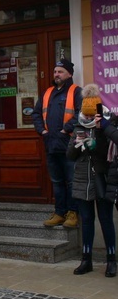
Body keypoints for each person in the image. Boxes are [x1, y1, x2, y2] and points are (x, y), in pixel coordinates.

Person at [67, 84, 117, 277]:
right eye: (85, 115)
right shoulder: (78, 125)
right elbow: (70, 156)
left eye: (91, 115)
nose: (88, 119)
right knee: (86, 220)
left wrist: (95, 143)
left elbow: (108, 154)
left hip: (101, 179)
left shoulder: (106, 124)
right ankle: (85, 260)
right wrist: (77, 143)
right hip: (81, 179)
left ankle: (111, 260)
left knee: (106, 220)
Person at [31, 58, 83, 228]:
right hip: (51, 144)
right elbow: (36, 114)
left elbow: (80, 114)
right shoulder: (47, 93)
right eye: (55, 72)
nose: (56, 74)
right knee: (57, 181)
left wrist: (65, 129)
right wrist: (42, 131)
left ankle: (72, 213)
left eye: (60, 71)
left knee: (71, 181)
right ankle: (59, 213)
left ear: (69, 74)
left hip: (69, 145)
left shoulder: (76, 92)